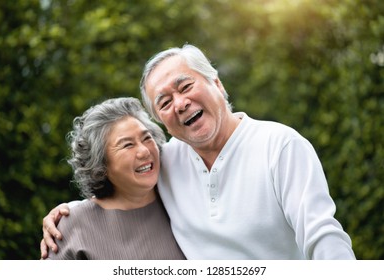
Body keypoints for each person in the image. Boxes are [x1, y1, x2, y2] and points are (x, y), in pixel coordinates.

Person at [41, 44, 356, 260]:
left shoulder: (280, 145)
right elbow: (122, 183)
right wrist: (72, 214)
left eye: (185, 86)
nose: (179, 103)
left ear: (216, 84)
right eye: (164, 102)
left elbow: (322, 235)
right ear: (161, 119)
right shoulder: (164, 162)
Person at [44, 97, 185, 259]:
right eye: (128, 145)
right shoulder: (72, 226)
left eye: (147, 138)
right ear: (100, 165)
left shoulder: (180, 200)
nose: (145, 151)